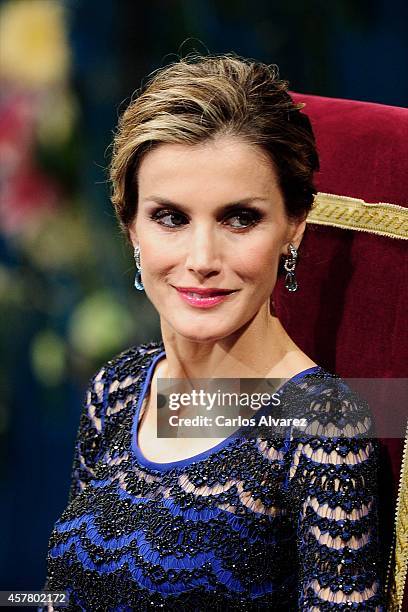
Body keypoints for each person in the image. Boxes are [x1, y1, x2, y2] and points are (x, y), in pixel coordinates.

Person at [40, 54, 384, 610]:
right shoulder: (118, 389)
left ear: (294, 226)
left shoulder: (322, 426)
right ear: (130, 225)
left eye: (239, 218)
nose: (202, 259)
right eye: (170, 218)